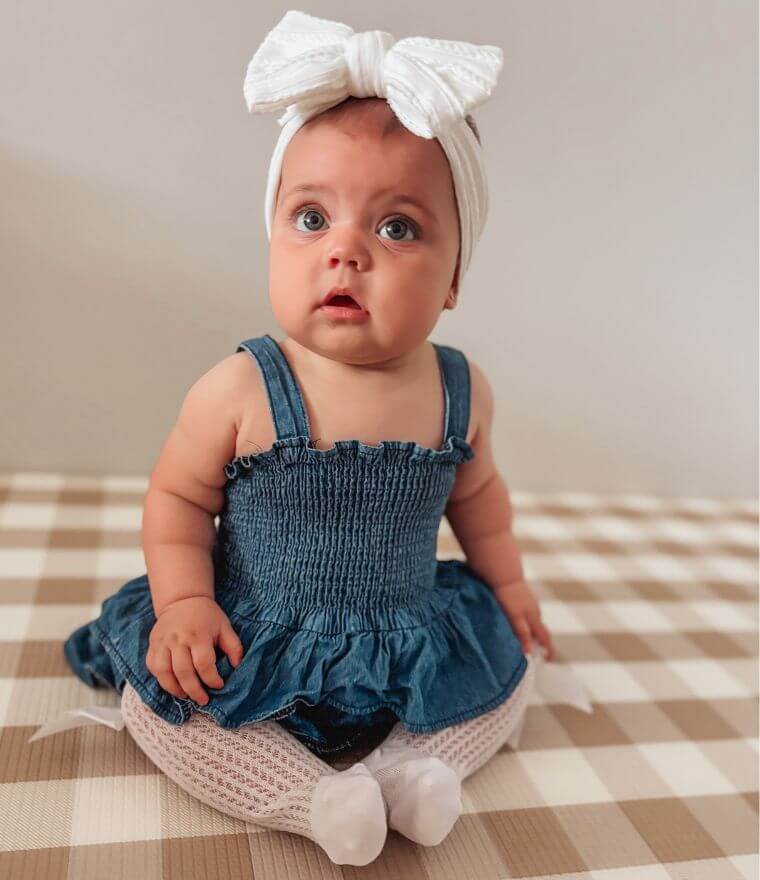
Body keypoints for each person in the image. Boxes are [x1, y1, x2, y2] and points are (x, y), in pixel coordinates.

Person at [60, 10, 567, 866]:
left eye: (396, 227)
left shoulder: (458, 390)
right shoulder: (244, 387)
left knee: (504, 674)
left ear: (452, 278)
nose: (346, 252)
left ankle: (417, 771)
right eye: (310, 218)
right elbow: (178, 497)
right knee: (169, 706)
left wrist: (508, 583)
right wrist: (185, 603)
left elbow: (479, 495)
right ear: (272, 235)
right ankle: (309, 799)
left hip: (404, 631)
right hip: (258, 635)